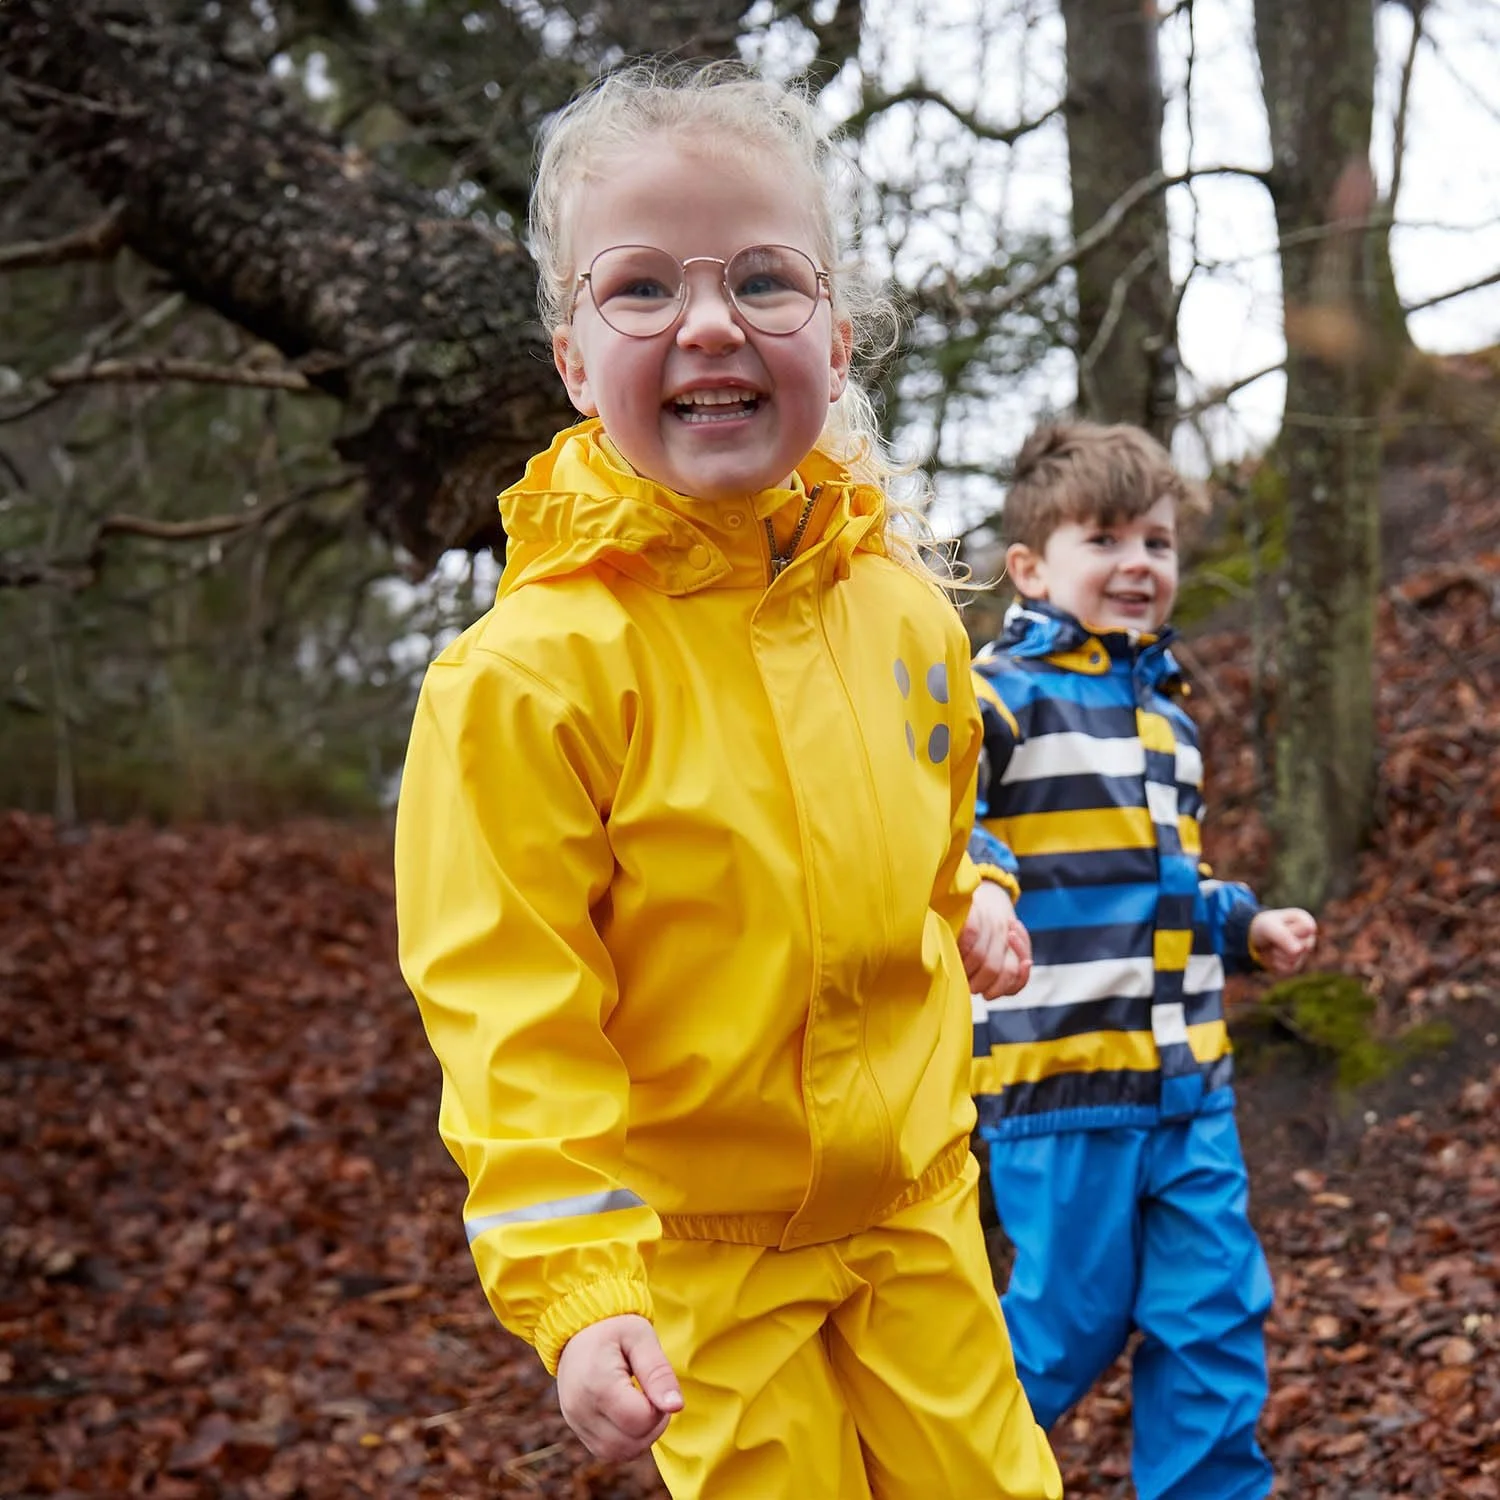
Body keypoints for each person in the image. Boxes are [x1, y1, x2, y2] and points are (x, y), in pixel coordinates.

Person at [393, 60, 1060, 1500]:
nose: (710, 322)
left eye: (766, 278)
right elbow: (512, 1011)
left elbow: (934, 829)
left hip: (921, 1220)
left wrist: (979, 897)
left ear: (836, 328)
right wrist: (580, 1283)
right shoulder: (530, 676)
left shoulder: (904, 610)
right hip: (706, 1261)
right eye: (641, 289)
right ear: (573, 357)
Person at [966, 420, 1318, 1500]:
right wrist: (980, 883)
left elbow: (1160, 886)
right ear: (1031, 566)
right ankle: (934, 1472)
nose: (1138, 564)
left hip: (1188, 1086)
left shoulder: (1168, 718)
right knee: (1066, 1325)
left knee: (1213, 1316)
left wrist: (1241, 925)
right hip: (1061, 1082)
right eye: (1106, 537)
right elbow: (939, 812)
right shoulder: (998, 689)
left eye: (1158, 543)